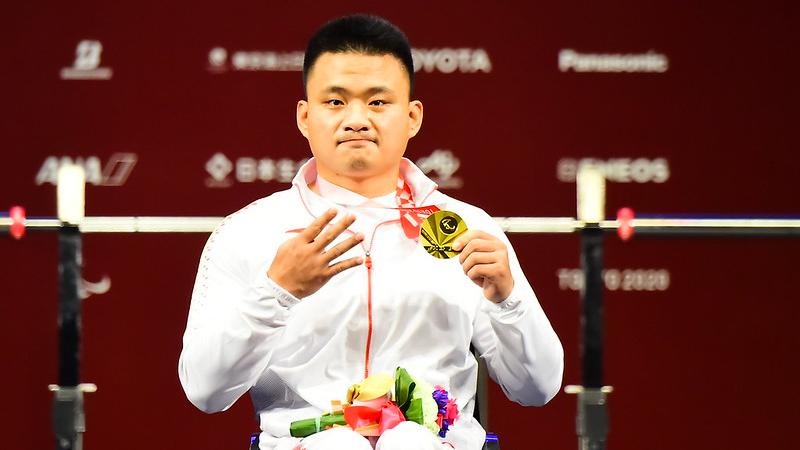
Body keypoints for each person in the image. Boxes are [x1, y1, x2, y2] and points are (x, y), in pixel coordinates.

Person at [179, 14, 563, 450]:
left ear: (413, 116)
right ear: (305, 117)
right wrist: (277, 291)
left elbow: (538, 388)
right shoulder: (249, 232)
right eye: (336, 102)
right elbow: (205, 392)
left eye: (378, 102)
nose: (357, 119)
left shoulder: (468, 228)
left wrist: (507, 300)